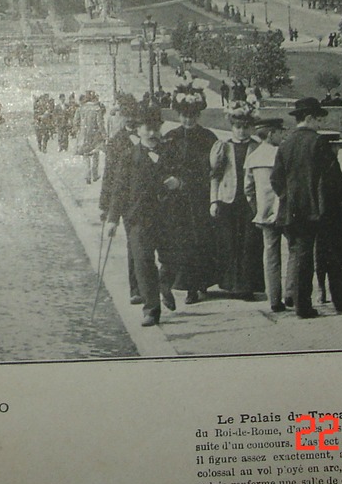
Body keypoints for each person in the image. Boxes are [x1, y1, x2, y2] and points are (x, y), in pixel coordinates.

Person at [270, 96, 342, 319]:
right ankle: (340, 302)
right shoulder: (318, 142)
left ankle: (301, 306)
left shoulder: (285, 143)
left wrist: (289, 197)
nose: (320, 124)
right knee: (332, 255)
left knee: (302, 258)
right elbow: (331, 177)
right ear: (310, 118)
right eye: (319, 119)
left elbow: (276, 179)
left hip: (294, 211)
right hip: (320, 209)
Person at [99, 98, 168, 326]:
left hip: (167, 216)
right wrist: (112, 219)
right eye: (147, 128)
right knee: (143, 261)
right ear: (138, 130)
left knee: (171, 258)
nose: (152, 133)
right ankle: (151, 309)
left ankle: (165, 285)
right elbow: (119, 189)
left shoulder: (170, 153)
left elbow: (186, 177)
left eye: (156, 128)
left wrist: (179, 182)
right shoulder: (129, 157)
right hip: (137, 218)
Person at [160, 97, 218, 303]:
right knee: (182, 241)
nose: (188, 120)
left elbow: (214, 167)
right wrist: (171, 180)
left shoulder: (208, 137)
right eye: (184, 116)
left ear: (198, 116)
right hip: (177, 200)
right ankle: (187, 286)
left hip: (200, 196)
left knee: (201, 240)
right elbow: (162, 166)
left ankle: (202, 284)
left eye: (192, 116)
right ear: (179, 116)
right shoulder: (171, 138)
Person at [208, 105, 263, 298]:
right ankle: (232, 285)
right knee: (229, 243)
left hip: (249, 202)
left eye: (246, 126)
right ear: (232, 127)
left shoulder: (256, 146)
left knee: (249, 244)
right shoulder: (223, 146)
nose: (241, 130)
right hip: (227, 200)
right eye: (238, 126)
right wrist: (214, 201)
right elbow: (214, 175)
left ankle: (247, 286)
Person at [243, 116, 289, 312]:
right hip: (287, 212)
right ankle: (292, 293)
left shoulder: (252, 157)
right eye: (279, 132)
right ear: (271, 134)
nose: (282, 136)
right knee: (294, 252)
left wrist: (257, 208)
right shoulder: (282, 154)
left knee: (270, 256)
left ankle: (274, 299)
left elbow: (248, 189)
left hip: (264, 213)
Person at [312, 129, 342, 312]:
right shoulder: (338, 165)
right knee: (339, 257)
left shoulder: (313, 165)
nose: (339, 149)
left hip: (318, 218)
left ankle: (321, 290)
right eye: (337, 146)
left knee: (319, 255)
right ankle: (340, 297)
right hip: (337, 217)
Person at [76, 92, 107, 184]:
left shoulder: (81, 108)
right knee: (95, 155)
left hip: (84, 135)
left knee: (86, 155)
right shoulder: (97, 109)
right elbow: (100, 124)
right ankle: (95, 174)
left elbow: (75, 121)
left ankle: (87, 175)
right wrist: (104, 135)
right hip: (95, 135)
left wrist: (80, 130)